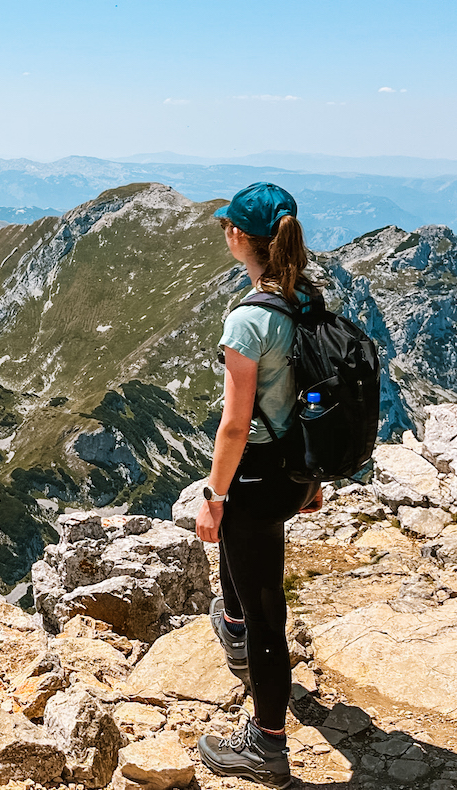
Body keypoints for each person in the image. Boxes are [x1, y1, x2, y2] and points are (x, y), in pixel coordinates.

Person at [193, 182, 323, 788]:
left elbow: (235, 423)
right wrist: (313, 478)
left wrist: (214, 498)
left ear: (238, 237)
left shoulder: (248, 320)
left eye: (227, 225)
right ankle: (237, 632)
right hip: (296, 471)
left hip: (259, 472)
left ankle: (267, 743)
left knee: (268, 603)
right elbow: (313, 397)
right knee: (250, 570)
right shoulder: (305, 299)